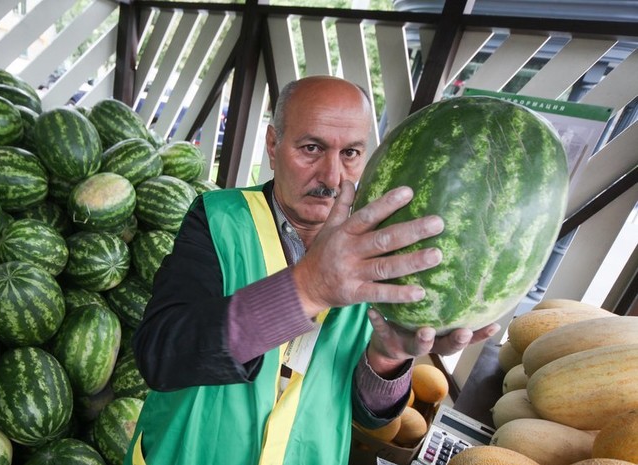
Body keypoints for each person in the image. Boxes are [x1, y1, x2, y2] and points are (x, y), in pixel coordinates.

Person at [125, 75, 499, 465]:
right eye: (311, 148)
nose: (332, 177)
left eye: (351, 153)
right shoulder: (218, 218)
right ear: (273, 145)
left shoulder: (384, 248)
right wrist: (308, 287)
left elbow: (371, 416)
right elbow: (161, 356)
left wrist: (389, 358)